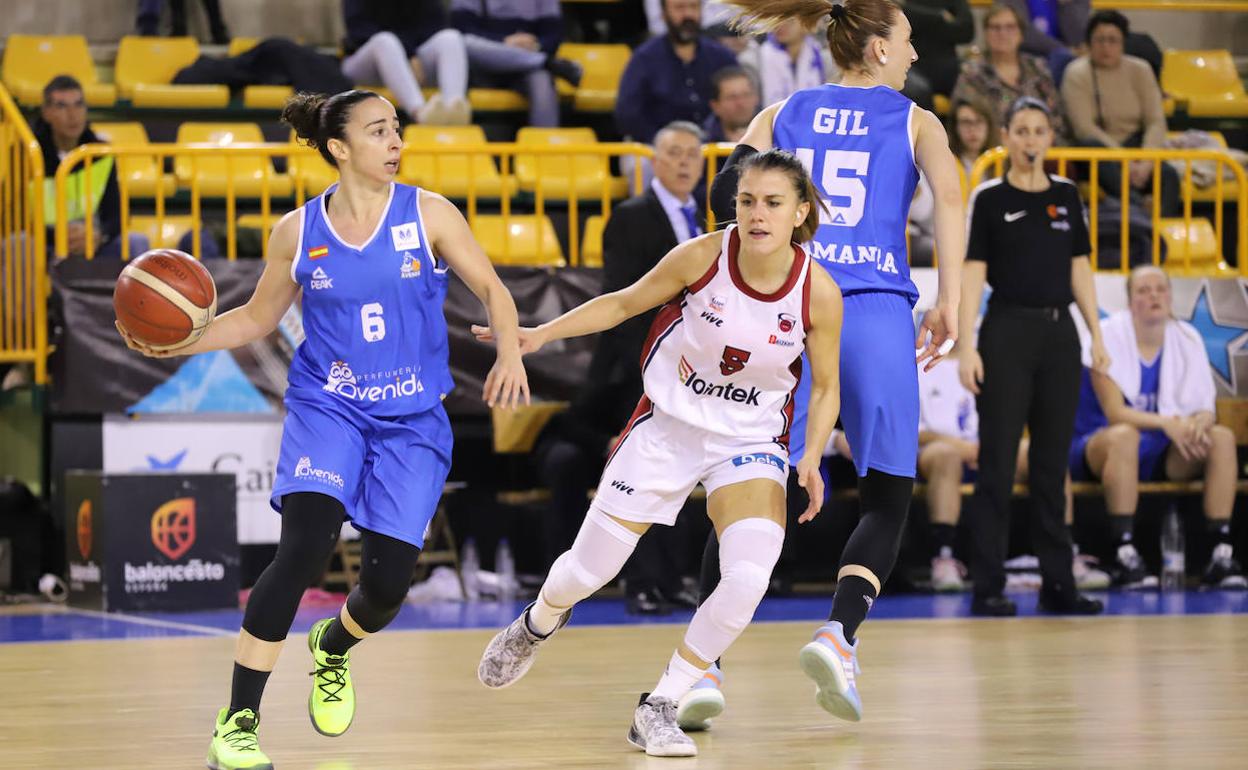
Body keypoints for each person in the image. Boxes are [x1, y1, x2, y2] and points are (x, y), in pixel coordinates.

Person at [117, 89, 528, 770]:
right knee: (305, 544)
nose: (395, 142)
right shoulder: (296, 231)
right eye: (378, 131)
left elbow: (495, 290)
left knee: (390, 585)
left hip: (412, 420)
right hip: (328, 407)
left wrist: (510, 349)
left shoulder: (429, 214)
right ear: (339, 147)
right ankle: (238, 722)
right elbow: (253, 318)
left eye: (397, 129)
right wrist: (175, 343)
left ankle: (331, 648)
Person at [476, 149, 844, 757]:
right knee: (588, 573)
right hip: (666, 429)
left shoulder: (818, 293)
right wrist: (540, 334)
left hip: (749, 441)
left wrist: (811, 454)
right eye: (747, 200)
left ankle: (661, 703)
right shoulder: (703, 257)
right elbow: (622, 303)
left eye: (773, 203)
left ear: (800, 212)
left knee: (749, 575)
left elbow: (827, 386)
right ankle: (538, 620)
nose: (756, 214)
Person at [699, 0, 965, 726]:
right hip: (876, 308)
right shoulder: (915, 120)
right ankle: (839, 633)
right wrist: (951, 303)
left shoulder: (784, 111)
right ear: (878, 50)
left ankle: (700, 669)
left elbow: (727, 193)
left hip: (797, 301)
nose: (914, 55)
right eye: (907, 41)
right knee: (887, 493)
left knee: (758, 484)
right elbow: (949, 196)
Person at [535, 121, 709, 613]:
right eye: (674, 153)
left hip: (686, 371)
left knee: (674, 475)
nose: (683, 163)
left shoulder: (702, 220)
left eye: (692, 155)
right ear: (655, 160)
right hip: (637, 371)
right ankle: (642, 584)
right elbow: (624, 303)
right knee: (638, 475)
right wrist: (654, 369)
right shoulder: (632, 216)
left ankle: (672, 579)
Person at [959, 96, 1107, 618]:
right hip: (1006, 332)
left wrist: (1096, 334)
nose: (1029, 140)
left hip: (1059, 336)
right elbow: (973, 272)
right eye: (1020, 131)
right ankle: (987, 585)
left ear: (1049, 137)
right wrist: (967, 344)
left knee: (1051, 465)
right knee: (997, 464)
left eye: (1038, 131)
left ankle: (1058, 583)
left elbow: (1080, 268)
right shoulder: (990, 198)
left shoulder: (1067, 196)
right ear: (1007, 136)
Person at [1069, 265, 1246, 590]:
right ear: (1130, 301)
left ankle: (1221, 552)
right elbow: (1114, 413)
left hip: (1161, 448)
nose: (1154, 296)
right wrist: (1170, 424)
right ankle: (1124, 552)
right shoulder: (1105, 337)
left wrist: (1199, 423)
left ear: (1170, 296)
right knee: (1124, 437)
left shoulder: (1187, 337)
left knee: (1220, 438)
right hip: (1098, 445)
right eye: (1144, 290)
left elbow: (1204, 407)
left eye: (1160, 289)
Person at [35, 74, 216, 260]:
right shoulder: (28, 153)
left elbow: (116, 216)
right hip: (45, 242)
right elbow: (16, 216)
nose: (73, 114)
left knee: (135, 242)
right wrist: (57, 236)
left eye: (79, 104)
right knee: (21, 242)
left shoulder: (100, 153)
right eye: (62, 106)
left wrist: (99, 235)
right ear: (46, 112)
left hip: (93, 242)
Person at [1059, 10, 1178, 217]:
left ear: (1123, 43)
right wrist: (1126, 161)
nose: (1106, 47)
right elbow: (1084, 128)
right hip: (1099, 150)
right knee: (1092, 148)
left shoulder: (1141, 69)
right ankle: (1140, 210)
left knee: (1168, 175)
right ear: (1089, 44)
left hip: (1136, 149)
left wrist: (1145, 162)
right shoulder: (1076, 73)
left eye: (1113, 40)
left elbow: (1156, 121)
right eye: (1100, 40)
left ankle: (1163, 235)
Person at [615, 0, 739, 146]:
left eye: (693, 6)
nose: (688, 14)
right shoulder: (643, 59)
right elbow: (628, 115)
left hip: (713, 146)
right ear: (663, 14)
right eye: (679, 7)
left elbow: (743, 100)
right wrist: (663, 142)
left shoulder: (722, 56)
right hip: (656, 147)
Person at [449, 0, 585, 128]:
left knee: (542, 81)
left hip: (526, 67)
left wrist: (534, 46)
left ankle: (542, 150)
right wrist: (504, 42)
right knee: (462, 42)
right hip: (482, 65)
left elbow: (553, 35)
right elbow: (462, 29)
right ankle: (546, 63)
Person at [950, 3, 1069, 146]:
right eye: (995, 28)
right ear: (985, 33)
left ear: (1021, 33)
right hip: (994, 155)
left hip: (1042, 153)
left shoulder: (1038, 68)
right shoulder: (972, 73)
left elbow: (1056, 119)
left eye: (1010, 27)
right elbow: (966, 120)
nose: (1003, 33)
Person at [341, 0, 472, 125]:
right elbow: (359, 30)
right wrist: (409, 53)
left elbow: (436, 24)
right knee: (385, 41)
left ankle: (454, 108)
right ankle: (420, 112)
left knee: (450, 38)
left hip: (410, 64)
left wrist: (411, 54)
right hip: (364, 64)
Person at [738, 18, 836, 108]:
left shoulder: (824, 59)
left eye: (789, 20)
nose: (780, 25)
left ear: (807, 24)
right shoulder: (753, 60)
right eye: (776, 19)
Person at [902, 0, 974, 111]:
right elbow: (899, 19)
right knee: (917, 91)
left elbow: (966, 32)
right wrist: (940, 16)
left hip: (948, 66)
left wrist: (920, 21)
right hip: (912, 65)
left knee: (974, 87)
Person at [703, 67, 761, 144]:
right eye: (732, 97)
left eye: (746, 95)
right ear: (715, 106)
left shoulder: (774, 135)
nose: (740, 103)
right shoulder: (702, 144)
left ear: (756, 98)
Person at [949, 98, 996, 178]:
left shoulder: (1000, 162)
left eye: (979, 121)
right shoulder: (947, 162)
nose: (973, 129)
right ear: (955, 127)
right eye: (966, 122)